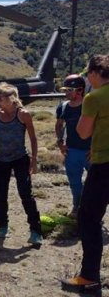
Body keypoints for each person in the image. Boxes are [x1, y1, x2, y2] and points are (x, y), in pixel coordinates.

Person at [61, 54, 109, 293]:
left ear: (93, 74)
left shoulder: (95, 97)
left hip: (104, 165)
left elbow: (82, 132)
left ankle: (89, 277)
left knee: (88, 219)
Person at [0, 82, 43, 246]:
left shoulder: (23, 114)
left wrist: (34, 160)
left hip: (20, 159)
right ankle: (3, 226)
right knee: (1, 194)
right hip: (1, 160)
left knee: (25, 194)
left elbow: (33, 138)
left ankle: (36, 230)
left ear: (10, 98)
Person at [55, 74, 91, 218]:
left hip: (90, 151)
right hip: (72, 151)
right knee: (75, 183)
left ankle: (93, 210)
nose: (66, 93)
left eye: (70, 90)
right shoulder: (63, 107)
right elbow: (58, 125)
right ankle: (77, 207)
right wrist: (60, 142)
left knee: (96, 183)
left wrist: (95, 148)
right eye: (66, 89)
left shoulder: (89, 105)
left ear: (80, 90)